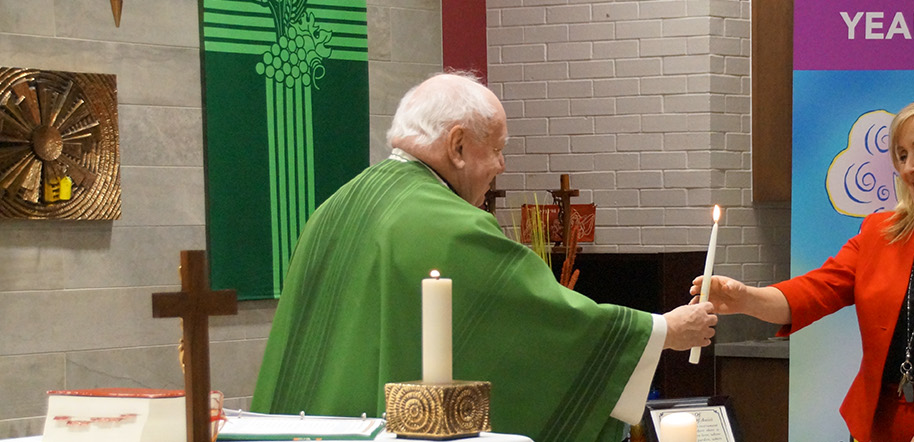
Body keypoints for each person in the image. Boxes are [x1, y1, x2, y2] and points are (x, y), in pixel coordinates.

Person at [252, 72, 718, 442]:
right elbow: (543, 322)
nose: (501, 166)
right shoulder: (449, 225)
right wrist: (663, 330)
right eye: (496, 149)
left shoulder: (335, 207)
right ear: (457, 146)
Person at [693, 94, 914, 442]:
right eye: (901, 155)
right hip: (883, 427)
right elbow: (813, 291)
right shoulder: (880, 233)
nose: (908, 167)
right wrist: (745, 298)